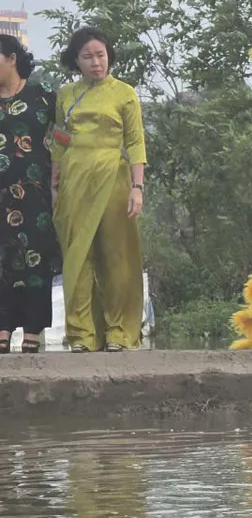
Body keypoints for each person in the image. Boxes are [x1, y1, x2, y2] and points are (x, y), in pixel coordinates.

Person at [50, 26, 146, 353]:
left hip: (113, 177)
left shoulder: (124, 93)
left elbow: (135, 142)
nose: (96, 62)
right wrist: (54, 184)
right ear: (76, 60)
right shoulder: (65, 94)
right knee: (77, 256)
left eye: (100, 55)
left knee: (116, 255)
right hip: (74, 178)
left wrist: (137, 187)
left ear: (109, 56)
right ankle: (81, 336)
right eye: (87, 57)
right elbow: (59, 141)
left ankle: (119, 332)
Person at [0, 34, 59, 354]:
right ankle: (3, 327)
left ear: (12, 59)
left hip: (35, 190)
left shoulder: (43, 94)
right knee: (3, 258)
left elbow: (65, 135)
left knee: (36, 254)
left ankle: (33, 328)